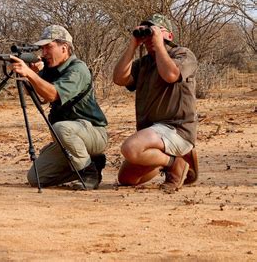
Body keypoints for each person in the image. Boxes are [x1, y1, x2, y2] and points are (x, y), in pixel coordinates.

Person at [10, 25, 108, 190]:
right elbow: (40, 98)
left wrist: (31, 74)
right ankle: (92, 163)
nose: (44, 53)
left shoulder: (78, 69)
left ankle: (89, 173)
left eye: (48, 47)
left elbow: (53, 95)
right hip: (67, 137)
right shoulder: (50, 69)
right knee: (36, 178)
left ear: (64, 48)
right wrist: (30, 76)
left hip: (93, 134)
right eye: (42, 48)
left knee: (61, 127)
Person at [112, 14, 199, 192]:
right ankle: (170, 159)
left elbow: (171, 75)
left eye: (154, 32)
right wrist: (133, 44)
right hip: (153, 134)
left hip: (177, 129)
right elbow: (119, 79)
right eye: (147, 33)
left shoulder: (183, 54)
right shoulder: (143, 64)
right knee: (127, 179)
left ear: (169, 36)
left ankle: (176, 163)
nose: (150, 37)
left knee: (131, 148)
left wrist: (159, 44)